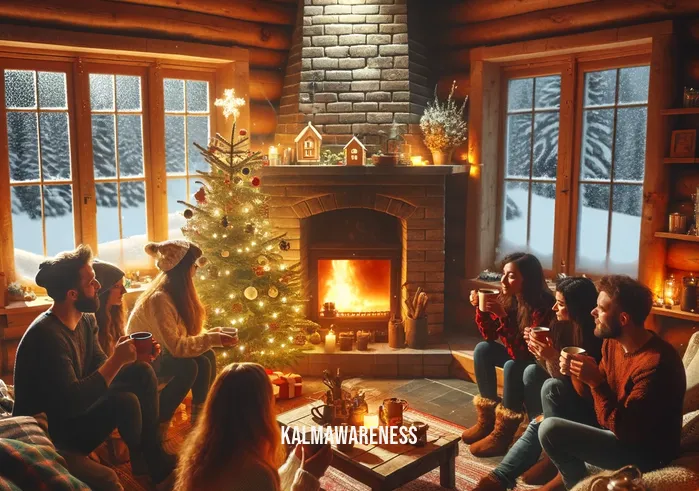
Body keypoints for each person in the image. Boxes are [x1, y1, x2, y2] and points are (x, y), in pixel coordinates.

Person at [12, 245, 175, 488]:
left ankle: (151, 460)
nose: (99, 286)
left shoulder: (84, 319)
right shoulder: (47, 336)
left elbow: (98, 364)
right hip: (53, 432)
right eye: (91, 282)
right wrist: (117, 360)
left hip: (72, 415)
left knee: (140, 374)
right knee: (125, 400)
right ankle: (152, 464)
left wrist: (130, 357)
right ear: (72, 294)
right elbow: (73, 402)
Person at [538, 275, 686, 490]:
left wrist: (595, 381)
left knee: (550, 429)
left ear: (624, 319)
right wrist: (578, 373)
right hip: (613, 424)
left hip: (644, 452)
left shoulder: (655, 365)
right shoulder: (612, 343)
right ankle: (566, 472)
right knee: (552, 389)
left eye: (601, 308)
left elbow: (626, 431)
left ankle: (578, 485)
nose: (593, 313)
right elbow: (595, 399)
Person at [473, 276, 602, 491]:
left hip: (588, 406)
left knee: (549, 389)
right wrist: (542, 355)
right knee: (533, 373)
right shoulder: (562, 326)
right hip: (569, 396)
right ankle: (541, 451)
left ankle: (512, 471)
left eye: (560, 304)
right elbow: (560, 377)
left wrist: (550, 356)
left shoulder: (595, 336)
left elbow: (580, 390)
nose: (554, 307)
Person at [174, 362, 332, 491]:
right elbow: (260, 483)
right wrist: (309, 477)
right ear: (260, 410)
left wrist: (296, 461)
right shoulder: (254, 473)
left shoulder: (208, 451)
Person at [127, 240, 237, 423]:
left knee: (206, 357)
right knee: (190, 366)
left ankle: (202, 419)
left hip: (163, 353)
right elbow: (177, 347)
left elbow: (181, 336)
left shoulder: (173, 294)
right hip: (146, 361)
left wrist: (213, 334)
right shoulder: (160, 299)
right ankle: (160, 423)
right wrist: (212, 339)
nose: (196, 270)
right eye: (194, 265)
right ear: (183, 269)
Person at [462, 252, 555, 457]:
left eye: (511, 276)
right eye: (503, 274)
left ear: (527, 280)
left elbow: (522, 353)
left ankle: (503, 434)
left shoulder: (543, 305)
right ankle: (487, 421)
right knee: (483, 350)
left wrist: (503, 316)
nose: (503, 280)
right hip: (518, 355)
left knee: (513, 366)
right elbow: (489, 335)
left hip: (537, 363)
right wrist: (482, 309)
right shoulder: (509, 297)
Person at [93, 260, 128, 356]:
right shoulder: (93, 324)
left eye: (123, 285)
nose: (124, 291)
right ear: (102, 290)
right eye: (117, 286)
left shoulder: (114, 314)